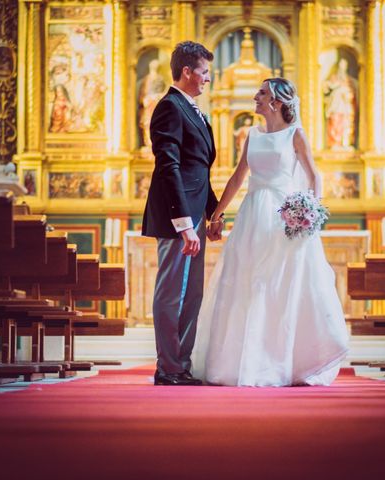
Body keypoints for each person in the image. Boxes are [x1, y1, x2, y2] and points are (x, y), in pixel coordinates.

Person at [192, 78, 349, 387]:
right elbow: (238, 178)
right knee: (246, 283)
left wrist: (310, 210)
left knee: (280, 285)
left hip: (284, 217)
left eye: (261, 93)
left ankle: (287, 362)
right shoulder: (252, 135)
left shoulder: (295, 135)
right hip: (253, 215)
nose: (255, 97)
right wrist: (216, 214)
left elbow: (314, 176)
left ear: (276, 101)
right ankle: (245, 362)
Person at [141, 41, 220, 386]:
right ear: (186, 71)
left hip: (195, 216)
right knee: (173, 292)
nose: (207, 79)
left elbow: (198, 170)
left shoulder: (193, 110)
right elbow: (169, 167)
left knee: (192, 294)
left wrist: (213, 214)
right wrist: (184, 223)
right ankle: (168, 367)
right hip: (179, 219)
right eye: (204, 72)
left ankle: (181, 365)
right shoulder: (170, 107)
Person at [138, 59, 167, 148]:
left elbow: (165, 91)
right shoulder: (146, 79)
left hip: (158, 104)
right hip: (149, 104)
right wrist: (145, 99)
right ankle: (149, 143)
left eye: (156, 66)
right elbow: (143, 95)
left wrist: (161, 96)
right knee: (148, 123)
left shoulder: (161, 78)